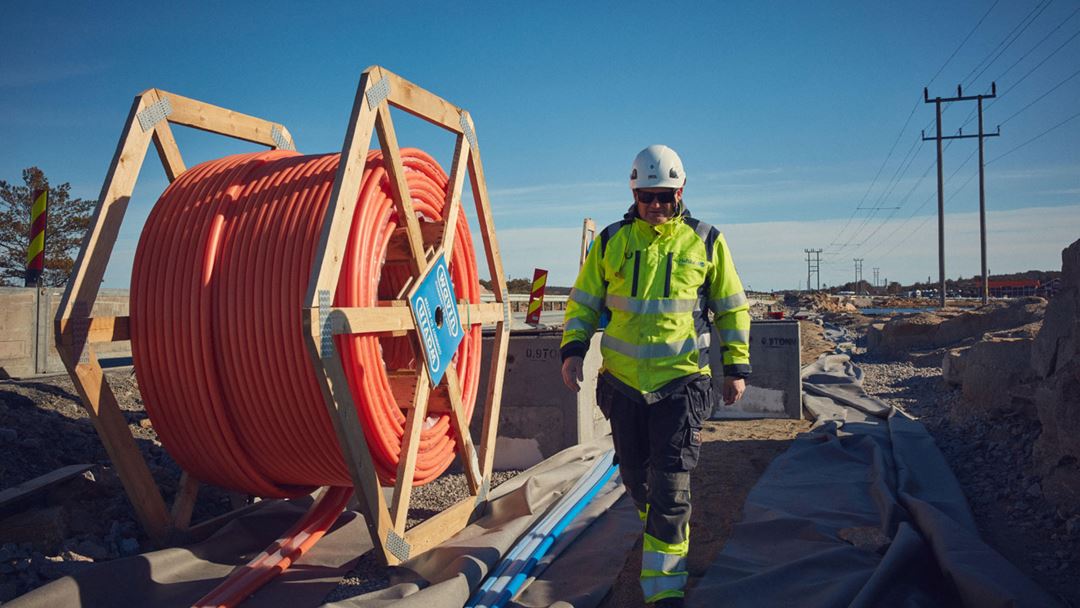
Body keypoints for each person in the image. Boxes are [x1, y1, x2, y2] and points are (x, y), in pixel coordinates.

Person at [559, 145, 751, 607]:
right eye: (649, 197)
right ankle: (669, 526)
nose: (657, 206)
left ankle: (664, 590)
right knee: (635, 480)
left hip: (682, 384)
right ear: (635, 193)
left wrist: (736, 366)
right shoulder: (612, 241)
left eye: (666, 196)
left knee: (669, 487)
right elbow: (584, 302)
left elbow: (731, 306)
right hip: (623, 387)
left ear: (680, 193)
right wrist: (572, 349)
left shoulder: (705, 241)